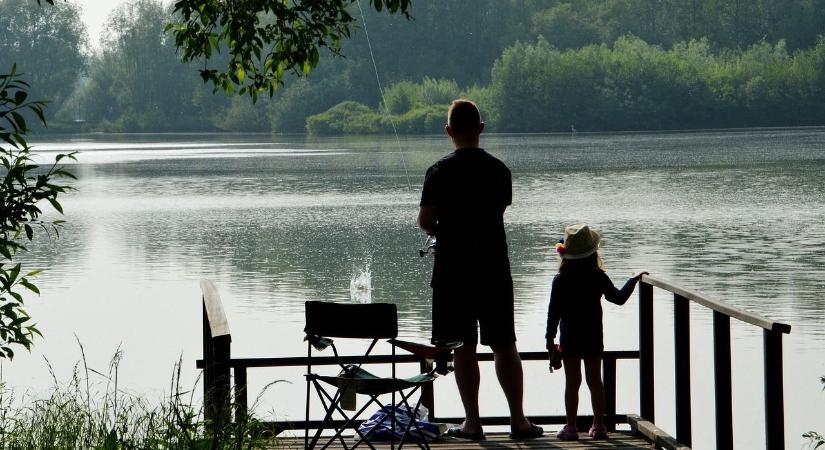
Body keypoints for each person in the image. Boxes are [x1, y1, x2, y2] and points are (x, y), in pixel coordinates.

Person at [417, 99, 543, 441]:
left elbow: (426, 221)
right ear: (481, 128)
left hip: (453, 272)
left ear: (448, 131)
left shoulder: (438, 171)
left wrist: (443, 229)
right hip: (493, 268)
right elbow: (496, 214)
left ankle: (473, 424)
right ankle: (519, 421)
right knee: (504, 344)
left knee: (463, 347)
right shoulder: (500, 170)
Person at [545, 224, 647, 440]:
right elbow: (618, 299)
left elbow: (553, 313)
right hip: (593, 336)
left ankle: (571, 427)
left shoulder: (560, 279)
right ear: (593, 253)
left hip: (569, 337)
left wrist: (549, 339)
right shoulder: (597, 276)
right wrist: (633, 279)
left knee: (572, 382)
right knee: (594, 380)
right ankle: (599, 425)